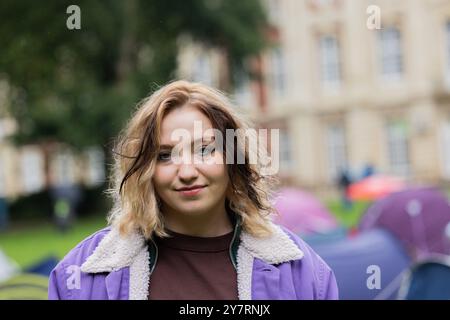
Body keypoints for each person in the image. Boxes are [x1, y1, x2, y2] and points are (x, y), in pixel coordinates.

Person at [48, 80, 338, 300]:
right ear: (143, 169)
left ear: (232, 158)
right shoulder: (82, 277)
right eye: (164, 155)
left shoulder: (301, 271)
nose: (186, 172)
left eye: (204, 150)